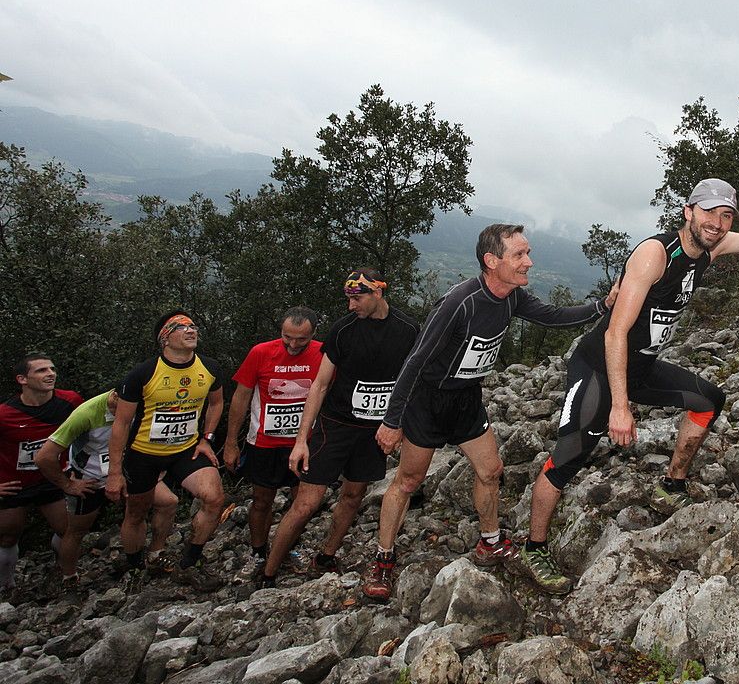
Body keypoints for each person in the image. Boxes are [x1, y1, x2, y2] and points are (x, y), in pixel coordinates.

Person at [510, 179, 739, 593]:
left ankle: (671, 484)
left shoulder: (712, 247)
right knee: (569, 454)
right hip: (600, 366)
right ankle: (534, 547)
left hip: (643, 366)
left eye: (726, 216)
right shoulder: (656, 255)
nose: (717, 223)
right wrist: (620, 406)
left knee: (709, 400)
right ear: (688, 212)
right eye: (709, 212)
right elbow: (616, 334)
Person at [363, 224, 614, 602]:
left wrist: (602, 306)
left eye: (528, 253)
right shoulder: (459, 303)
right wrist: (392, 420)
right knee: (408, 481)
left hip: (466, 398)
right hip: (428, 401)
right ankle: (383, 559)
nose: (528, 262)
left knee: (491, 470)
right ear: (491, 261)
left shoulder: (512, 296)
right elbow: (415, 361)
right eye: (519, 255)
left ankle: (490, 542)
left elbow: (552, 316)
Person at [259, 270, 418, 588]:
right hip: (336, 425)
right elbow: (318, 386)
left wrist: (399, 425)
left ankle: (326, 556)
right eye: (348, 298)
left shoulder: (408, 329)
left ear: (377, 294)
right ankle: (267, 573)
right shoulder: (343, 330)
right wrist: (301, 440)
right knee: (306, 503)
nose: (351, 306)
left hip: (375, 429)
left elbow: (412, 379)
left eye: (357, 298)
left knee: (353, 494)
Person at [107, 311, 226, 591]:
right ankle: (136, 568)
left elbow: (217, 403)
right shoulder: (143, 374)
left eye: (193, 326)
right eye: (180, 327)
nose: (190, 330)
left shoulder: (209, 368)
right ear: (164, 338)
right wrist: (114, 472)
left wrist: (206, 437)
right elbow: (122, 423)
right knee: (136, 512)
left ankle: (188, 563)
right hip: (144, 453)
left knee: (214, 498)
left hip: (186, 449)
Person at [34, 389, 178, 586]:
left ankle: (151, 557)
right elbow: (43, 457)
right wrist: (67, 484)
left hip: (128, 470)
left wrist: (156, 465)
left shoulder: (142, 404)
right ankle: (69, 578)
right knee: (77, 530)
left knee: (165, 503)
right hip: (91, 478)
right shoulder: (86, 414)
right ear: (115, 397)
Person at [222, 307, 323, 579]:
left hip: (304, 443)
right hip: (264, 442)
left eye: (301, 340)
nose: (292, 344)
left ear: (313, 334)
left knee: (301, 502)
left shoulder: (323, 353)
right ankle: (257, 552)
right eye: (286, 337)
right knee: (261, 499)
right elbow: (241, 397)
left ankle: (290, 549)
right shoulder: (261, 353)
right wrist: (231, 442)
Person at [0, 355, 82, 595]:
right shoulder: (5, 414)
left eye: (52, 369)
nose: (50, 374)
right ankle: (6, 585)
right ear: (22, 379)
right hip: (14, 483)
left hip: (53, 479)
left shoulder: (70, 401)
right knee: (7, 535)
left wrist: (79, 468)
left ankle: (63, 573)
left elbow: (89, 430)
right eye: (41, 370)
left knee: (67, 530)